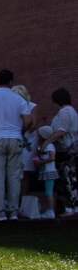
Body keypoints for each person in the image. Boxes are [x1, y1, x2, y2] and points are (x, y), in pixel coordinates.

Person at [0, 69, 32, 221]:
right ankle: (13, 211)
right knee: (14, 177)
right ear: (10, 82)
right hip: (15, 138)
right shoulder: (18, 99)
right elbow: (28, 120)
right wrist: (20, 131)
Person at [44, 87, 78, 216]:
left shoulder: (64, 112)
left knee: (66, 179)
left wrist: (47, 142)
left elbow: (61, 130)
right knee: (72, 178)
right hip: (72, 149)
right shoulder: (72, 111)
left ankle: (69, 207)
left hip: (66, 150)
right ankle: (73, 206)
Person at [12, 85, 39, 198]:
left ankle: (23, 197)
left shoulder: (32, 106)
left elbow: (33, 124)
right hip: (16, 137)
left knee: (25, 170)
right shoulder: (12, 106)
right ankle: (14, 196)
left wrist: (22, 130)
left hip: (28, 139)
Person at [34, 126, 58, 219]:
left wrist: (40, 162)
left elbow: (52, 158)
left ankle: (51, 211)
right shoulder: (45, 145)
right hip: (46, 171)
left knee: (49, 192)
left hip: (49, 172)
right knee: (47, 191)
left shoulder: (49, 145)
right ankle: (49, 210)